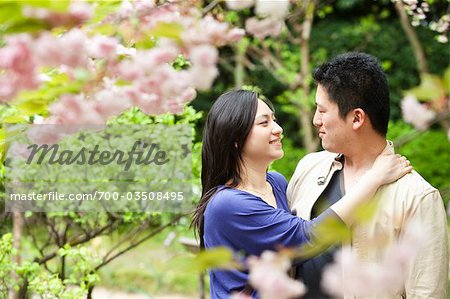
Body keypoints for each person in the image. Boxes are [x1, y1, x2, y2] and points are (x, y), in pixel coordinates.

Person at [191, 89, 412, 299]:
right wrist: (374, 178)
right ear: (236, 139)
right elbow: (307, 237)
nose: (278, 129)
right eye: (264, 123)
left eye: (274, 120)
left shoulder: (276, 183)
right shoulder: (227, 204)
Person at [287, 52, 448, 299]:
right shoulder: (308, 169)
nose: (315, 120)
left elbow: (427, 293)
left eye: (322, 111)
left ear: (357, 118)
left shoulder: (417, 197)